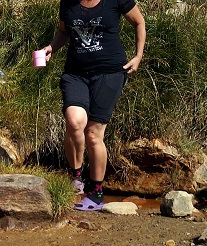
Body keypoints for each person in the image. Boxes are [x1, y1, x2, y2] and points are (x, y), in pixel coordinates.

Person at [40, 0, 145, 211]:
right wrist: (52, 47)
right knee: (74, 120)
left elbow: (139, 22)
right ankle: (76, 177)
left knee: (93, 134)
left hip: (109, 73)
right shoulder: (68, 3)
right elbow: (63, 31)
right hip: (75, 73)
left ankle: (96, 193)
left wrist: (138, 56)